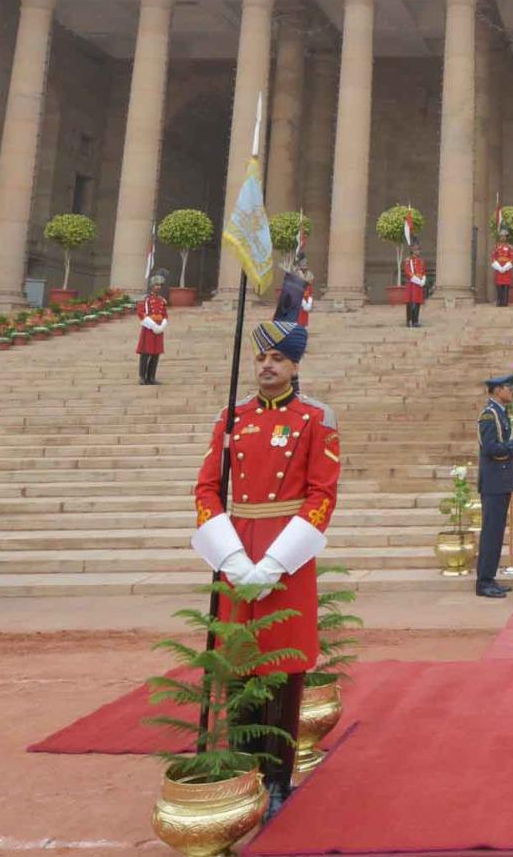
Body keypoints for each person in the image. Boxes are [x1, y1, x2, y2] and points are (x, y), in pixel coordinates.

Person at [189, 320, 341, 816]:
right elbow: (207, 489)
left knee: (282, 664)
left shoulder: (315, 418)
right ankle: (243, 764)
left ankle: (277, 776)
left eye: (277, 359)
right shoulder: (231, 418)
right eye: (260, 359)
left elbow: (322, 494)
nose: (266, 366)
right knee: (238, 661)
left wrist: (277, 560)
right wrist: (229, 556)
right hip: (237, 549)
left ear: (295, 366)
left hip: (287, 557)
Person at [474, 371, 513, 597]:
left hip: (500, 481)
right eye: (509, 388)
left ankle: (490, 578)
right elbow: (490, 449)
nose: (512, 391)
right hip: (493, 483)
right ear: (498, 391)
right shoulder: (489, 415)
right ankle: (484, 582)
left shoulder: (499, 413)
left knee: (496, 533)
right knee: (491, 533)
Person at [136, 274, 169, 384]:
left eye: (160, 285)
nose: (158, 287)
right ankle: (142, 376)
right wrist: (152, 325)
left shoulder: (161, 301)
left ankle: (151, 377)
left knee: (155, 354)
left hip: (158, 329)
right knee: (145, 353)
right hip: (149, 328)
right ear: (152, 286)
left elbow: (165, 314)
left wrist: (162, 325)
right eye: (156, 285)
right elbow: (141, 313)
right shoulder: (146, 299)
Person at [402, 236, 428, 328]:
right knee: (410, 302)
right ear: (412, 250)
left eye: (419, 250)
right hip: (412, 284)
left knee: (417, 302)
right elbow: (408, 272)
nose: (418, 251)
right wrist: (417, 280)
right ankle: (409, 321)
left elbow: (424, 271)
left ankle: (415, 321)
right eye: (416, 250)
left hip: (419, 285)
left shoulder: (421, 261)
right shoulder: (408, 260)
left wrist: (423, 280)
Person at [491, 232, 513, 308]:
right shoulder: (496, 247)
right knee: (498, 285)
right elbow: (493, 257)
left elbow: (512, 258)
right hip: (498, 267)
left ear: (506, 237)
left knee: (506, 285)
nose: (502, 238)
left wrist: (506, 267)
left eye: (504, 236)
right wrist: (498, 266)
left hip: (507, 268)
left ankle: (505, 301)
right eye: (501, 236)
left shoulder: (510, 247)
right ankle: (499, 301)